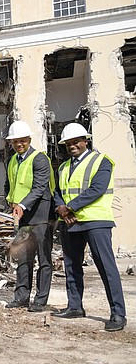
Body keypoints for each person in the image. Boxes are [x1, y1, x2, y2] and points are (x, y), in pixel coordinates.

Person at [52, 123, 127, 332]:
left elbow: (97, 188)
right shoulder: (64, 167)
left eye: (75, 142)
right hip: (70, 221)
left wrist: (70, 208)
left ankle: (118, 313)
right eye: (68, 143)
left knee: (106, 267)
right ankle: (75, 306)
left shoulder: (101, 161)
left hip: (95, 220)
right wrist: (61, 209)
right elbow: (57, 191)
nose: (72, 146)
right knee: (71, 266)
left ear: (86, 140)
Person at [3, 121, 55, 312]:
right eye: (15, 141)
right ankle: (21, 298)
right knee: (24, 259)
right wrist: (10, 201)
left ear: (29, 140)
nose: (19, 144)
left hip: (41, 217)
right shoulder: (13, 161)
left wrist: (22, 205)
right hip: (24, 219)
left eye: (22, 140)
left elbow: (40, 187)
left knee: (43, 260)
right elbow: (9, 185)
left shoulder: (39, 159)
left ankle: (40, 300)